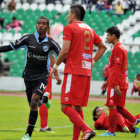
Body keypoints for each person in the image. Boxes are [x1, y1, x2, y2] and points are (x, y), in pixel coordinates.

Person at [51, 4, 107, 140]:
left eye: (68, 14)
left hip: (73, 71)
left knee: (65, 106)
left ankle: (87, 129)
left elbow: (64, 50)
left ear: (74, 15)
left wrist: (55, 66)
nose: (67, 16)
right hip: (86, 72)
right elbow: (103, 47)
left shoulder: (69, 28)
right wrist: (92, 61)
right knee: (77, 107)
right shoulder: (90, 29)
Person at [0, 16, 61, 140]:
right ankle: (45, 99)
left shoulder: (51, 43)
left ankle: (28, 134)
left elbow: (62, 56)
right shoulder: (28, 38)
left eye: (43, 24)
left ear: (47, 27)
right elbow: (10, 47)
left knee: (34, 101)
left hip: (42, 77)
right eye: (38, 23)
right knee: (34, 104)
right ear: (36, 25)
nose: (40, 25)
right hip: (28, 76)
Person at [100, 26, 140, 137]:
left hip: (117, 83)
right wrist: (107, 81)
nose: (106, 38)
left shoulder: (117, 48)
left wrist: (115, 85)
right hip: (122, 82)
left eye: (108, 35)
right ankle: (136, 122)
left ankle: (111, 132)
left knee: (112, 106)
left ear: (113, 36)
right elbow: (116, 69)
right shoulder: (122, 47)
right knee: (119, 107)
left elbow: (117, 68)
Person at [38, 24, 55, 133]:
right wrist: (57, 75)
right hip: (45, 73)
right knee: (45, 99)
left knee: (39, 98)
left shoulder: (33, 38)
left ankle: (30, 123)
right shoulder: (49, 40)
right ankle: (44, 126)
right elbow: (52, 57)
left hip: (35, 73)